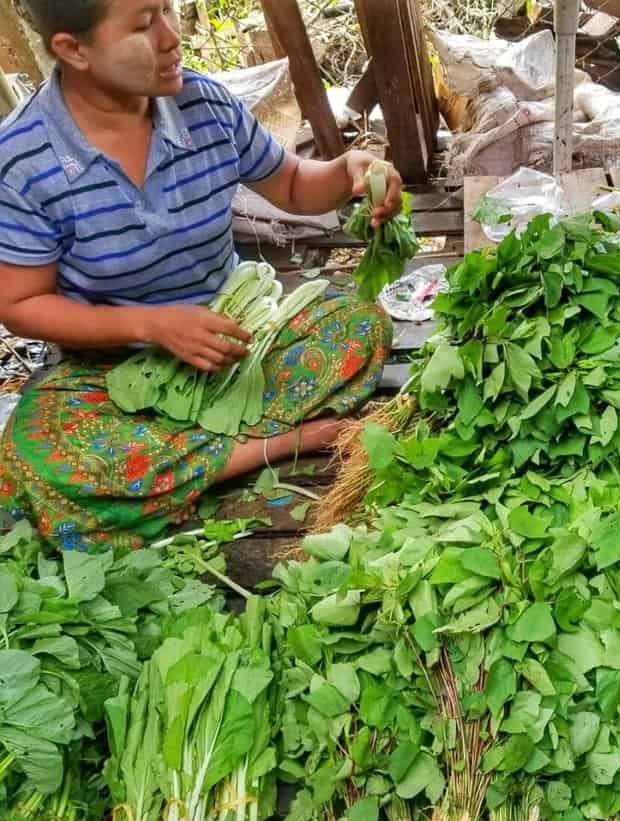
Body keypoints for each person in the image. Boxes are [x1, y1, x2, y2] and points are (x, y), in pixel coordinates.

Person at [0, 0, 402, 550]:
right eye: (144, 25)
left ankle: (172, 461)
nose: (171, 38)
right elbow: (21, 304)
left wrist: (349, 171)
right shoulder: (23, 160)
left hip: (236, 337)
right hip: (111, 365)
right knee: (36, 453)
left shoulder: (203, 103)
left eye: (167, 10)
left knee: (361, 325)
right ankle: (273, 445)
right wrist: (153, 326)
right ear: (74, 49)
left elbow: (290, 185)